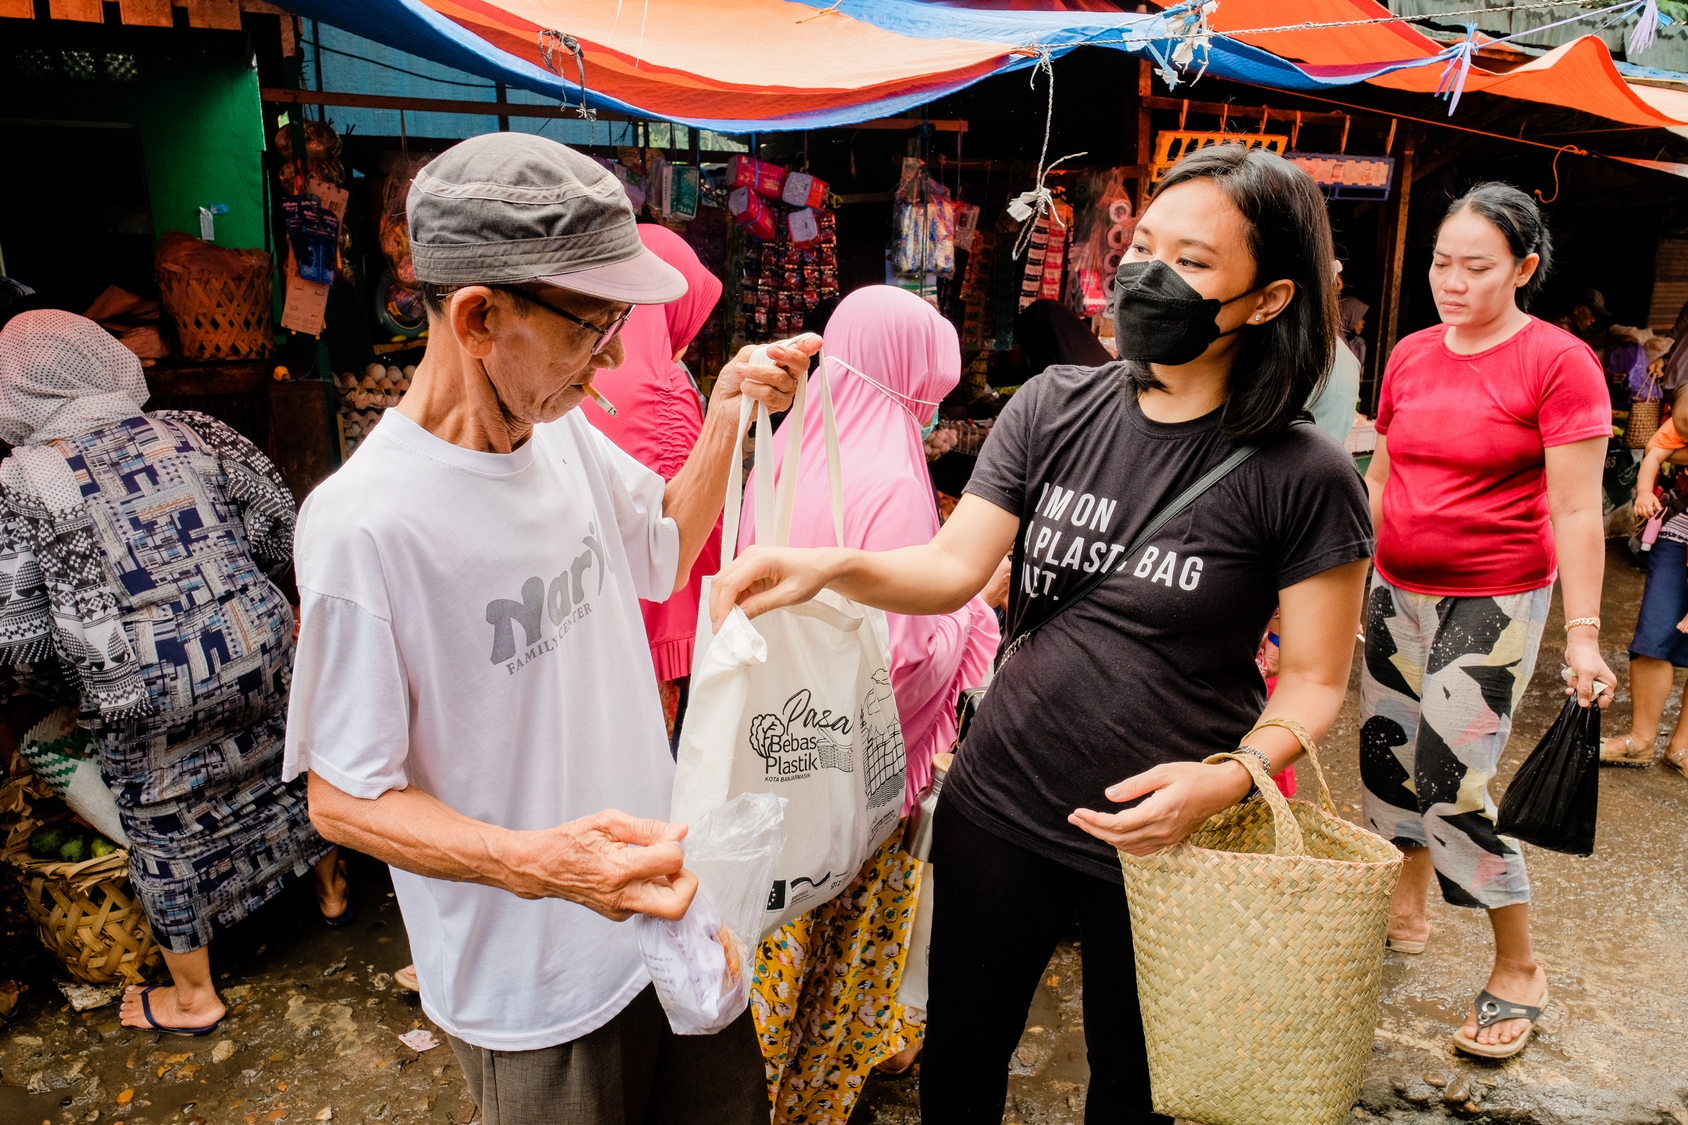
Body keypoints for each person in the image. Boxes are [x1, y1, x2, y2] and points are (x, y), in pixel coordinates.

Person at [710, 145, 1374, 1124]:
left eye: (1191, 261)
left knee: (1134, 1090)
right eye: (1144, 245)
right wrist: (831, 567)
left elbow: (1315, 680)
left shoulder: (1303, 474)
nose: (1149, 274)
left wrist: (1224, 778)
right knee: (961, 1064)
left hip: (1165, 838)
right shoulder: (1052, 404)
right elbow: (949, 571)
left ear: (1268, 299)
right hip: (1000, 802)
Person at [283, 133, 806, 1125]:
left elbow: (658, 547)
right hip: (535, 990)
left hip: (664, 917)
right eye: (590, 326)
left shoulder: (564, 434)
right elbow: (344, 802)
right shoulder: (366, 525)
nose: (611, 354)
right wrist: (537, 866)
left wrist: (727, 411)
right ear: (479, 317)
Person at [0, 310, 345, 1036]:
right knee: (285, 762)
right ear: (100, 360)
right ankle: (332, 887)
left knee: (161, 817)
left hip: (140, 680)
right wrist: (236, 598)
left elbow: (20, 635)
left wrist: (80, 690)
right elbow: (279, 526)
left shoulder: (26, 479)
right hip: (256, 640)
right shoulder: (190, 428)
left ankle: (194, 995)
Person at [1360, 183, 1614, 1060]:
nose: (1452, 281)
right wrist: (1346, 581)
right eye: (1441, 262)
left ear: (1524, 268)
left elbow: (1578, 510)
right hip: (1397, 585)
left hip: (1496, 593)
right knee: (1387, 757)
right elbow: (1383, 478)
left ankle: (1518, 966)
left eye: (1477, 265)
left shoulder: (1559, 362)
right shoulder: (1412, 353)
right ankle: (1407, 898)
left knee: (1450, 777)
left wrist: (1583, 633)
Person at [739, 286, 999, 1119]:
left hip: (768, 745)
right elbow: (909, 651)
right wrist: (973, 607)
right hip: (852, 782)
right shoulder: (892, 474)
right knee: (836, 960)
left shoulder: (787, 444)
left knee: (767, 951)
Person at [581, 224, 724, 746]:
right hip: (657, 626)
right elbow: (689, 522)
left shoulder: (574, 377)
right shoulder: (665, 392)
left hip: (586, 616)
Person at [1602, 385, 1688, 777]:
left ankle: (1683, 748)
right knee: (1655, 633)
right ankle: (1641, 740)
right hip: (1678, 536)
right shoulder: (1675, 425)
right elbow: (1658, 453)